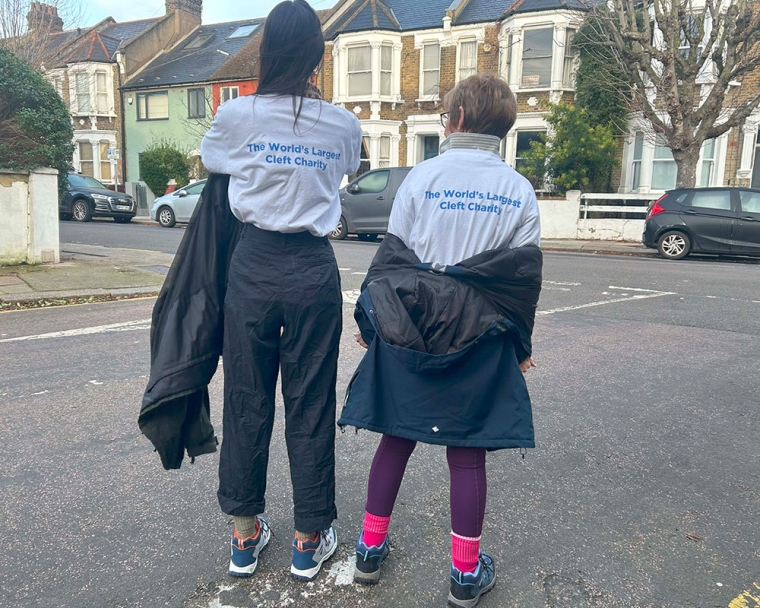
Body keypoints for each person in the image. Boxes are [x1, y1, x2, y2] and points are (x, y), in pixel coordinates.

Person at [339, 75, 542, 607]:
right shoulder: (518, 189)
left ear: (453, 120)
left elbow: (392, 260)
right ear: (505, 126)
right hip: (480, 331)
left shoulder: (422, 178)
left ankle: (368, 552)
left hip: (411, 323)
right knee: (467, 450)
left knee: (396, 434)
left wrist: (371, 326)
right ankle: (464, 577)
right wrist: (520, 347)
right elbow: (521, 279)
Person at [200, 0, 362, 582]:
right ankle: (306, 539)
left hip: (253, 264)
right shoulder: (342, 124)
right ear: (318, 56)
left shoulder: (236, 116)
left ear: (266, 52)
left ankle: (245, 539)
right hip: (313, 269)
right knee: (310, 401)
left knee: (246, 398)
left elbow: (216, 167)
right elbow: (345, 169)